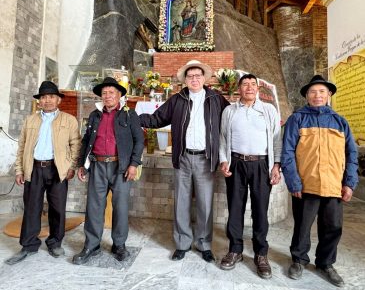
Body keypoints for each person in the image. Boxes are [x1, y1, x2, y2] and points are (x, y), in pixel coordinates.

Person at [139, 60, 229, 262]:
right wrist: (135, 117)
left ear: (204, 78)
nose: (194, 79)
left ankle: (205, 244)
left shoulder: (216, 99)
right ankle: (182, 243)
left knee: (205, 203)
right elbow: (157, 119)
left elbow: (230, 121)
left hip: (206, 158)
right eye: (190, 76)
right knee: (181, 201)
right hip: (183, 157)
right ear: (185, 80)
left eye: (198, 76)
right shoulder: (177, 99)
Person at [281, 75, 358, 287]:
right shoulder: (297, 119)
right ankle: (298, 260)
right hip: (307, 184)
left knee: (333, 226)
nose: (317, 95)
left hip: (334, 184)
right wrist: (294, 182)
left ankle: (325, 263)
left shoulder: (340, 122)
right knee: (302, 227)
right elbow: (287, 152)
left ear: (329, 95)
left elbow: (351, 154)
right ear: (306, 95)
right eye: (313, 92)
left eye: (322, 92)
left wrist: (349, 183)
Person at [5, 81, 81, 265]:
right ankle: (29, 245)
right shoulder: (30, 120)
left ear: (58, 100)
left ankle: (55, 243)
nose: (47, 100)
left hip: (57, 169)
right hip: (34, 168)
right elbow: (22, 147)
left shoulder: (69, 120)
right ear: (39, 101)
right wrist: (19, 170)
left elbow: (76, 145)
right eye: (44, 97)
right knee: (32, 208)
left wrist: (70, 167)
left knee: (57, 208)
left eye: (51, 97)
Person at [72, 77, 144, 265]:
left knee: (120, 207)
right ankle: (92, 245)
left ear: (119, 95)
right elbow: (87, 141)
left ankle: (119, 245)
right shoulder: (95, 115)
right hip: (97, 165)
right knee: (94, 207)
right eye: (104, 93)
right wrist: (82, 164)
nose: (107, 96)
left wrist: (133, 164)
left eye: (111, 92)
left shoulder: (130, 115)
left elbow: (139, 141)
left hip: (120, 167)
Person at [219, 73, 282, 279]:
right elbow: (222, 138)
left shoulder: (268, 110)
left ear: (258, 88)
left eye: (253, 84)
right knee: (235, 207)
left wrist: (276, 165)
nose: (249, 87)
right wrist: (224, 160)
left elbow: (276, 139)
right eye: (245, 84)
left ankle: (261, 254)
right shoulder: (229, 111)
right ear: (239, 88)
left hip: (261, 164)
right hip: (236, 162)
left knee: (260, 210)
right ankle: (235, 250)